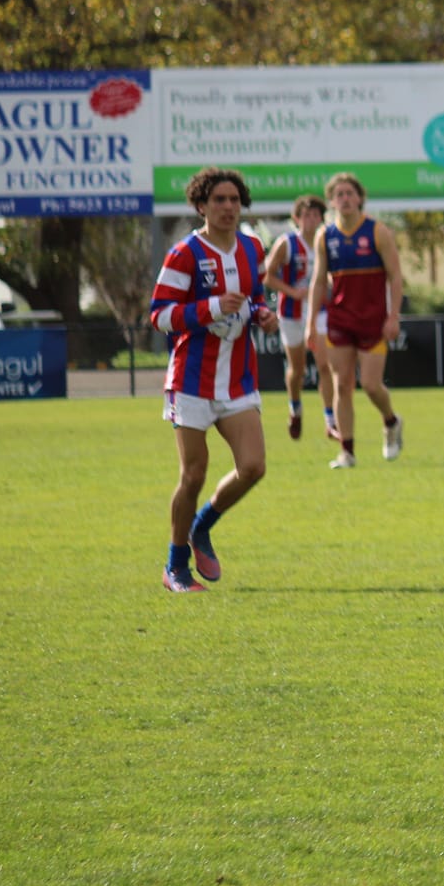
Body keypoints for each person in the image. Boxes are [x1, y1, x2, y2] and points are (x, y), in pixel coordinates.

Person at [149, 167, 276, 592]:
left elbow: (255, 297)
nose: (228, 207)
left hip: (237, 379)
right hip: (191, 381)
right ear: (201, 206)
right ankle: (175, 567)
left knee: (253, 467)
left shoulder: (252, 247)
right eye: (219, 200)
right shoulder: (184, 253)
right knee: (193, 475)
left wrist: (263, 314)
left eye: (234, 200)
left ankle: (200, 526)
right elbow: (160, 316)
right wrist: (212, 307)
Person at [305, 172, 404, 470]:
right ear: (332, 201)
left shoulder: (377, 232)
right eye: (339, 194)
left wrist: (393, 316)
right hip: (339, 321)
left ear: (360, 198)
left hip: (373, 321)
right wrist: (311, 323)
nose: (345, 199)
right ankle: (346, 452)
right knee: (342, 385)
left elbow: (395, 276)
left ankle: (391, 421)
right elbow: (318, 282)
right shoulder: (325, 236)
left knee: (371, 385)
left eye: (350, 193)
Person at [261, 193, 337, 442]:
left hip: (320, 311)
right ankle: (295, 408)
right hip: (292, 312)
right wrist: (293, 292)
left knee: (325, 365)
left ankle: (330, 419)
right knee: (298, 368)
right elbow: (268, 276)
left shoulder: (327, 241)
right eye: (306, 215)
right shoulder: (287, 243)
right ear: (297, 218)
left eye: (315, 215)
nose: (311, 220)